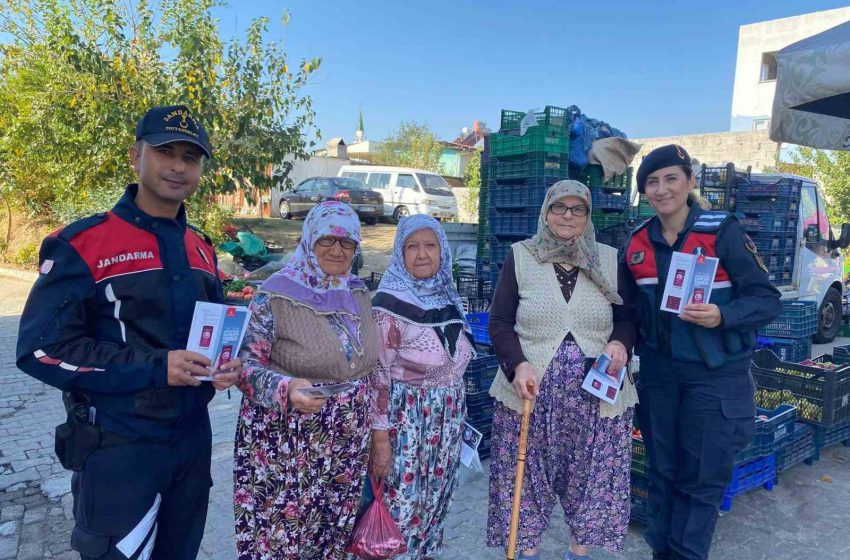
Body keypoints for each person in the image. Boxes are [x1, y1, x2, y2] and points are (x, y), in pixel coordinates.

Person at [16, 105, 242, 559]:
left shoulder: (199, 246)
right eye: (165, 152)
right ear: (135, 156)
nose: (178, 166)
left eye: (191, 157)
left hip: (192, 444)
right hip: (120, 449)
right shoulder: (82, 244)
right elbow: (41, 349)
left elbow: (212, 328)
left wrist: (225, 363)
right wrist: (157, 367)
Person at [622, 144, 782, 560]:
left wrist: (722, 316)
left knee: (701, 479)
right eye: (651, 183)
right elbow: (626, 312)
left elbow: (766, 299)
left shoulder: (721, 232)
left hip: (716, 376)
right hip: (659, 376)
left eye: (671, 178)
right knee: (662, 474)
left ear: (690, 182)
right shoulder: (637, 244)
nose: (661, 190)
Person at [486, 180, 638, 560]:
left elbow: (628, 318)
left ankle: (578, 553)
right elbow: (500, 322)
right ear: (546, 211)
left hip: (596, 401)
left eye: (578, 209)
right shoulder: (521, 256)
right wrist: (517, 364)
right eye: (559, 208)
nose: (567, 216)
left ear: (588, 215)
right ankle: (527, 551)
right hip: (529, 397)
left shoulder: (607, 258)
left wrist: (620, 342)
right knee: (525, 485)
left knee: (590, 482)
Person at [232, 201, 380, 560]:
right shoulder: (276, 294)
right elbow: (244, 366)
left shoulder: (357, 291)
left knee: (332, 534)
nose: (337, 250)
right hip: (288, 441)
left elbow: (368, 365)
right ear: (309, 239)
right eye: (327, 239)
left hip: (345, 440)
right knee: (283, 537)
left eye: (347, 243)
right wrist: (287, 388)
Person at [367, 214, 476, 559]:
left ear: (442, 251)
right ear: (400, 253)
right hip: (406, 420)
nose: (421, 254)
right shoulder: (388, 304)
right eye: (411, 246)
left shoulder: (447, 295)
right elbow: (377, 376)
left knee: (434, 506)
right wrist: (380, 438)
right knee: (401, 506)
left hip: (447, 418)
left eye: (430, 245)